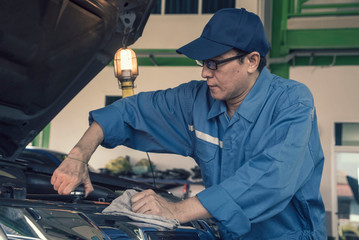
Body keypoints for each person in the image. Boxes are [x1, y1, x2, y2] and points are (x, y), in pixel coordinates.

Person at [51, 8, 327, 239]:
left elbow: (272, 176)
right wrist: (78, 156)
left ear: (252, 61)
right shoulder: (196, 99)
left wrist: (178, 210)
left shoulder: (292, 101)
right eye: (203, 62)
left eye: (215, 63)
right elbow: (128, 111)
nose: (205, 72)